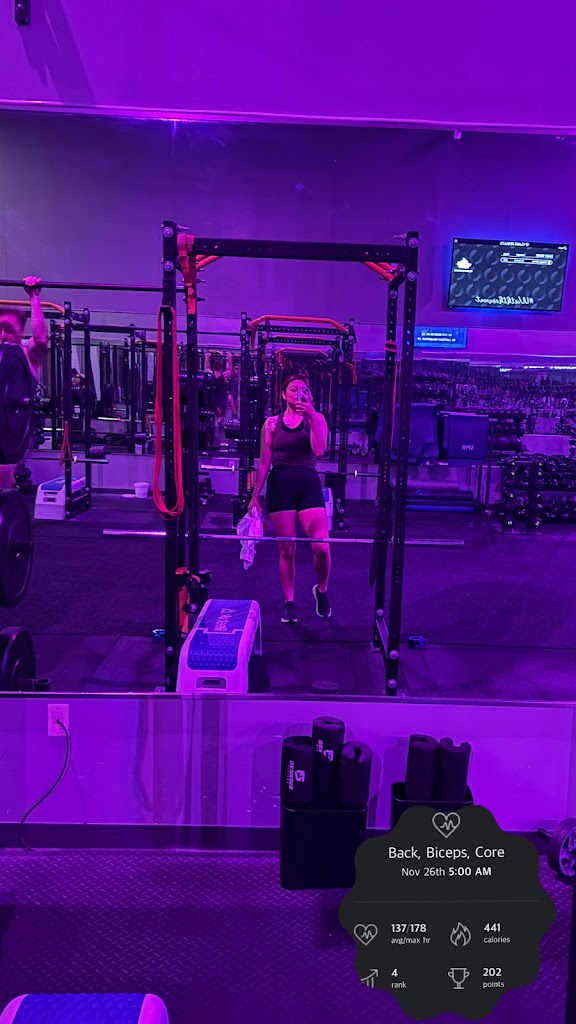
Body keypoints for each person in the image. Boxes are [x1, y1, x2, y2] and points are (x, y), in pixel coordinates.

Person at [248, 376, 331, 622]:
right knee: (287, 550)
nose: (298, 393)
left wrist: (312, 416)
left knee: (321, 547)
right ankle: (289, 602)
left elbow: (319, 450)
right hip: (280, 485)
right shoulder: (271, 424)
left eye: (304, 389)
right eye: (293, 389)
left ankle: (322, 591)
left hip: (308, 484)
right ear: (283, 394)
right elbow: (264, 463)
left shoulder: (317, 419)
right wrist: (254, 497)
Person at [0, 277, 48, 488]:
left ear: (20, 333)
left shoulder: (27, 356)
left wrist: (34, 297)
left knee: (2, 473)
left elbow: (41, 339)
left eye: (9, 329)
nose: (3, 334)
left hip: (11, 432)